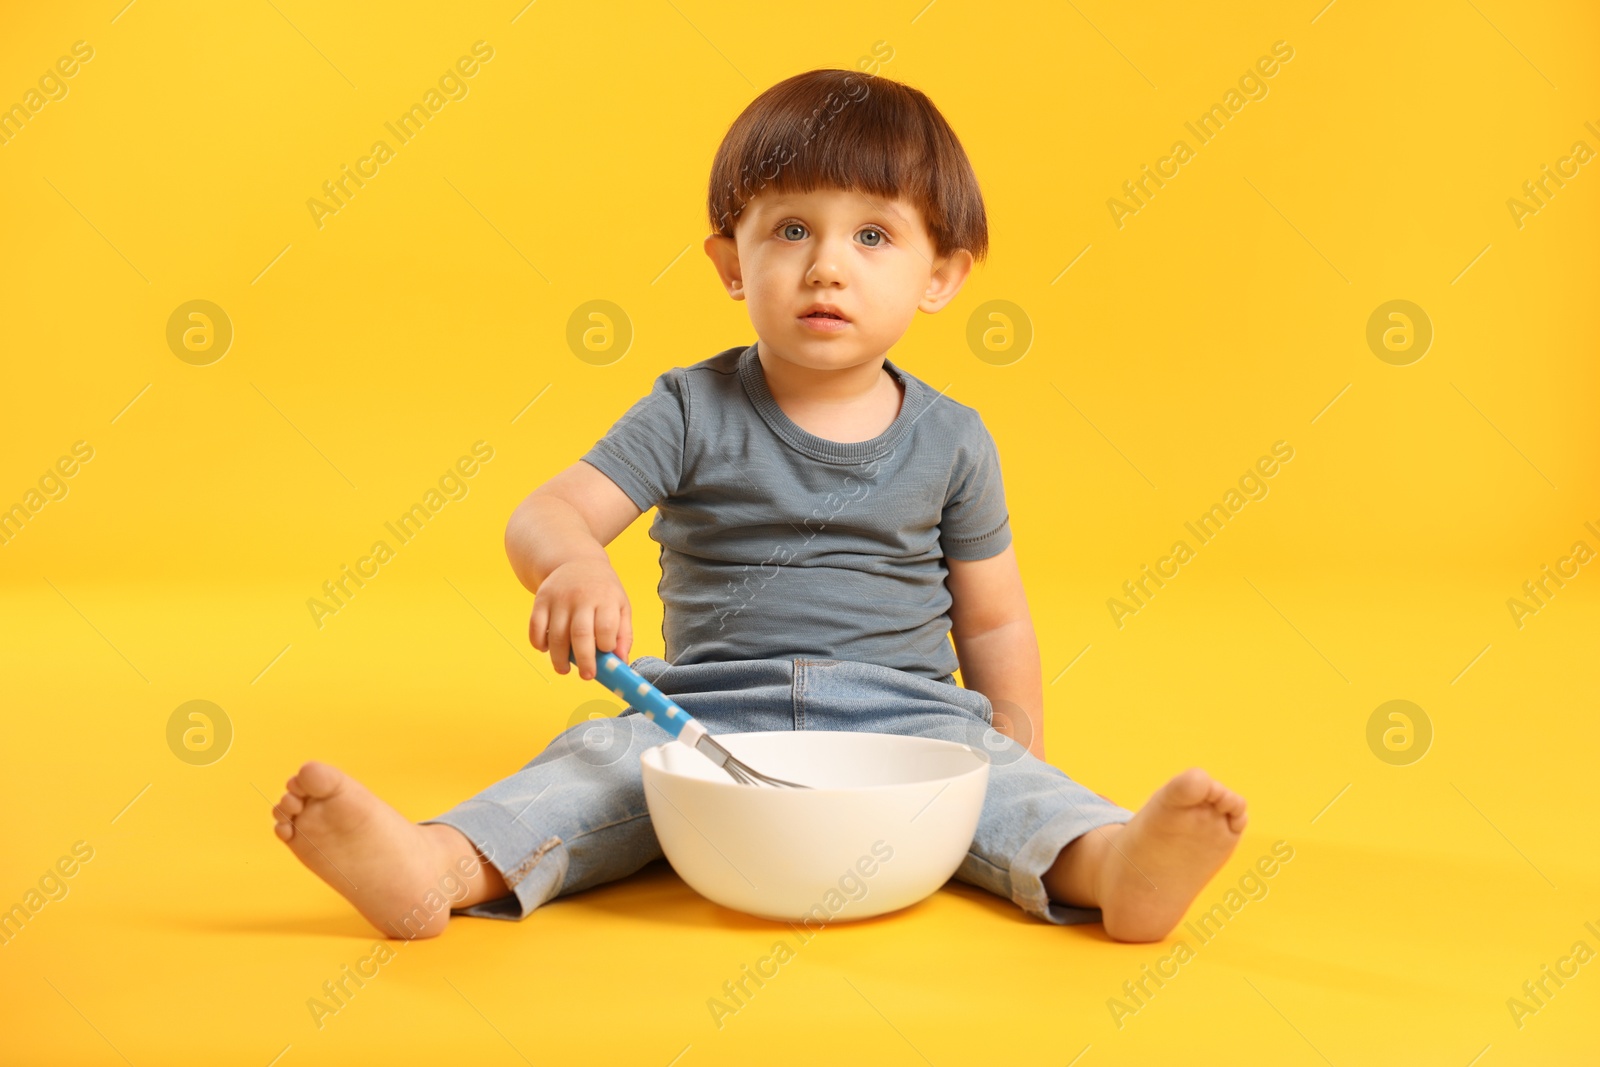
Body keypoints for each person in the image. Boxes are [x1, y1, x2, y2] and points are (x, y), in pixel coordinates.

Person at [270, 68, 1247, 944]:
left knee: (1006, 790)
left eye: (872, 234)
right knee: (590, 767)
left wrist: (1014, 738)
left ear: (939, 273)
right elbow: (547, 509)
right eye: (790, 231)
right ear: (730, 263)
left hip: (903, 721)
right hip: (698, 717)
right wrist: (571, 560)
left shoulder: (954, 438)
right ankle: (433, 866)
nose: (826, 265)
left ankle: (1115, 864)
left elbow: (995, 613)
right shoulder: (689, 409)